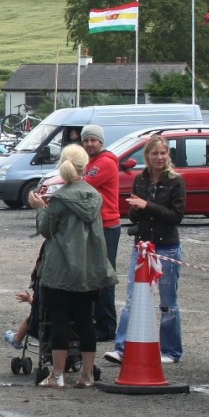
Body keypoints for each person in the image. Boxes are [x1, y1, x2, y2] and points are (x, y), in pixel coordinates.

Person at [27, 144, 116, 388]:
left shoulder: (60, 197)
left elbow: (47, 230)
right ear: (84, 165)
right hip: (88, 269)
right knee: (86, 321)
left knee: (59, 321)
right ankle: (86, 375)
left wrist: (40, 208)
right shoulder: (95, 196)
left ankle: (57, 375)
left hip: (60, 269)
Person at [104, 135, 186, 365]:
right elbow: (133, 213)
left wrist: (147, 205)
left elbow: (176, 217)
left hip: (166, 247)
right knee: (133, 298)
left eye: (163, 153)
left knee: (168, 301)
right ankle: (122, 348)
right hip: (142, 246)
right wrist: (136, 210)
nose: (159, 158)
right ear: (147, 156)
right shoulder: (140, 179)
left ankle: (171, 350)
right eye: (154, 153)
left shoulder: (176, 182)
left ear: (168, 155)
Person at [80, 124, 120, 342]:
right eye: (86, 140)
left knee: (104, 276)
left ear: (101, 142)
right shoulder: (90, 162)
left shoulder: (103, 163)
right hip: (95, 225)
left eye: (93, 140)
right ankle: (97, 321)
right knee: (93, 276)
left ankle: (106, 327)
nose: (89, 144)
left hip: (106, 225)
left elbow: (82, 186)